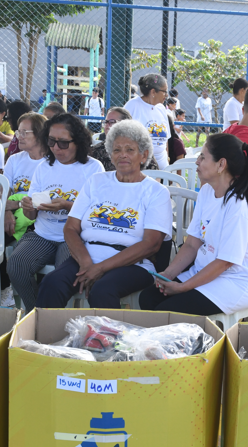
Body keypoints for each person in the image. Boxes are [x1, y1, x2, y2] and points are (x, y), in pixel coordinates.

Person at [35, 119, 172, 309]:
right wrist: (85, 263)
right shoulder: (96, 182)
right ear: (110, 154)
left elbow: (151, 244)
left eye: (130, 150)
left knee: (102, 290)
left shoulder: (156, 192)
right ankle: (47, 336)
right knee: (52, 283)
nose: (122, 155)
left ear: (144, 155)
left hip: (132, 264)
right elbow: (71, 228)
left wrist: (100, 268)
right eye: (116, 150)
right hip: (88, 255)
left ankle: (108, 339)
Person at [143, 133, 248, 315]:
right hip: (208, 271)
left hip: (236, 281)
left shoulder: (238, 205)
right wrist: (167, 275)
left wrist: (183, 287)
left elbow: (225, 263)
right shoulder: (207, 191)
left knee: (168, 311)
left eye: (202, 156)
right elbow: (193, 243)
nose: (197, 162)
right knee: (149, 297)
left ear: (221, 164)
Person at [6, 113, 103, 310]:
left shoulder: (93, 168)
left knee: (63, 275)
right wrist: (29, 207)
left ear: (78, 141)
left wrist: (67, 206)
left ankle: (62, 316)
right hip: (43, 233)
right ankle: (37, 312)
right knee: (16, 265)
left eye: (63, 143)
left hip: (76, 235)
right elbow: (32, 215)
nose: (56, 148)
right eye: (51, 141)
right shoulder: (44, 166)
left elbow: (97, 215)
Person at [0, 111, 47, 248]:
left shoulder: (51, 164)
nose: (18, 137)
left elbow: (47, 199)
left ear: (39, 134)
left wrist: (17, 205)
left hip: (37, 219)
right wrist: (6, 212)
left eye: (24, 132)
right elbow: (4, 192)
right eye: (18, 132)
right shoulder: (14, 160)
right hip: (13, 213)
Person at [124, 73, 172, 169]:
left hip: (163, 165)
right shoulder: (132, 106)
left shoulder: (161, 108)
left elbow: (166, 140)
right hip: (140, 165)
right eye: (164, 91)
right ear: (153, 92)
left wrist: (167, 158)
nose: (166, 95)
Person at [90, 107, 158, 172]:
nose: (107, 126)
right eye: (106, 122)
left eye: (112, 122)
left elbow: (156, 174)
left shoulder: (141, 148)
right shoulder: (97, 151)